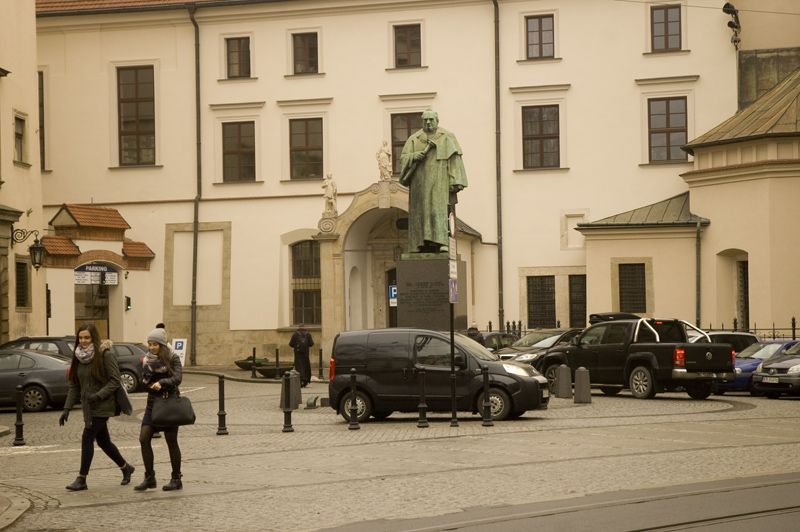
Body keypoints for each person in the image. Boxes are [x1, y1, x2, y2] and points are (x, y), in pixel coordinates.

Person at [60, 323, 135, 491]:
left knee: (87, 437)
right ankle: (126, 468)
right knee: (103, 441)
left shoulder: (104, 355)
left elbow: (115, 380)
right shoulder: (78, 358)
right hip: (88, 407)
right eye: (80, 338)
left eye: (87, 337)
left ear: (94, 337)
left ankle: (82, 479)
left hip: (103, 405)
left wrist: (98, 395)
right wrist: (66, 408)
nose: (83, 341)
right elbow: (74, 386)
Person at [399, 109, 468, 253]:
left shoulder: (447, 137)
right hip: (419, 183)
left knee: (438, 211)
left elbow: (455, 160)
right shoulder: (414, 139)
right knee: (420, 213)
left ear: (437, 121)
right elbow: (403, 158)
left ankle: (442, 242)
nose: (428, 122)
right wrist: (414, 155)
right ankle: (418, 243)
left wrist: (455, 181)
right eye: (426, 120)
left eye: (431, 120)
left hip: (440, 182)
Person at [134, 328, 184, 491]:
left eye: (155, 344)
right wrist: (146, 380)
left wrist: (162, 382)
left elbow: (177, 378)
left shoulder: (172, 357)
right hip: (152, 403)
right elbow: (145, 382)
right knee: (144, 438)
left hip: (168, 402)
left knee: (171, 442)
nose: (152, 347)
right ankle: (150, 477)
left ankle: (176, 479)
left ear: (161, 345)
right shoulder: (147, 360)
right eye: (149, 344)